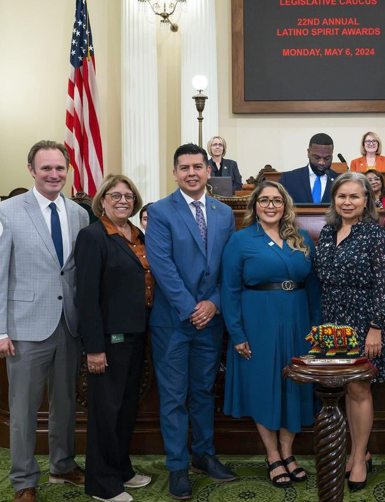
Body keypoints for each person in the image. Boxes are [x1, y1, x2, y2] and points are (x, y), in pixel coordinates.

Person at [145, 143, 237, 500]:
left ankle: (204, 455)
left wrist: (212, 304)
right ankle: (177, 467)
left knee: (203, 392)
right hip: (173, 321)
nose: (192, 173)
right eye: (184, 167)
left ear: (208, 170)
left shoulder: (223, 213)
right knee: (173, 397)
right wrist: (191, 308)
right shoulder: (161, 211)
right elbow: (162, 267)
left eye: (197, 166)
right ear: (175, 173)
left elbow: (228, 268)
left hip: (210, 321)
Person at [0, 141, 89, 502]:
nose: (54, 174)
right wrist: (1, 329)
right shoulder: (7, 212)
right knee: (23, 409)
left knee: (65, 402)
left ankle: (63, 464)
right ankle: (23, 480)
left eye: (60, 168)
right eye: (46, 168)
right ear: (32, 169)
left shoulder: (80, 213)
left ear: (68, 170)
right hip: (24, 329)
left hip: (68, 325)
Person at [221, 181, 322, 488]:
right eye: (264, 200)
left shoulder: (302, 238)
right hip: (257, 321)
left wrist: (316, 329)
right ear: (254, 205)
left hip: (298, 320)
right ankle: (272, 455)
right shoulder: (240, 240)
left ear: (285, 205)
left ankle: (289, 453)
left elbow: (315, 288)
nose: (270, 205)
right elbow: (229, 289)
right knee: (263, 386)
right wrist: (237, 333)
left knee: (294, 385)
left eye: (276, 200)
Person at [314, 172, 385, 493]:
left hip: (364, 322)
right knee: (343, 388)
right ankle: (355, 450)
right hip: (332, 322)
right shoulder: (327, 230)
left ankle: (359, 457)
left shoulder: (376, 235)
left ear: (367, 201)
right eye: (341, 196)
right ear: (334, 200)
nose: (347, 202)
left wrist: (376, 328)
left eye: (354, 196)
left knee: (360, 389)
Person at [75, 174, 152, 502]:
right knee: (106, 412)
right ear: (102, 201)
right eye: (115, 195)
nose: (123, 200)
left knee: (124, 410)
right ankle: (102, 484)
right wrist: (94, 348)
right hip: (108, 339)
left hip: (137, 335)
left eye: (128, 196)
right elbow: (87, 297)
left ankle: (121, 469)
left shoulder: (137, 234)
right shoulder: (93, 236)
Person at [279, 133, 339, 204]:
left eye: (327, 158)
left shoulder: (339, 181)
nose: (321, 162)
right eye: (317, 157)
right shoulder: (288, 179)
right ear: (308, 152)